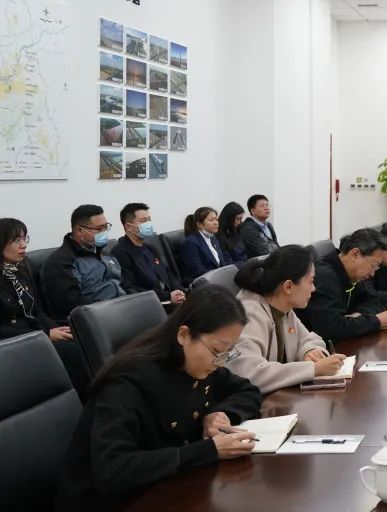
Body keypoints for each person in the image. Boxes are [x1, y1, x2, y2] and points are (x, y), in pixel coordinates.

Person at [55, 285, 263, 511]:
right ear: (184, 335)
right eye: (216, 351)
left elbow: (248, 391)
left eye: (227, 353)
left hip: (169, 487)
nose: (220, 362)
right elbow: (113, 470)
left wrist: (218, 414)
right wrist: (208, 451)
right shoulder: (127, 382)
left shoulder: (199, 364)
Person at [228, 245, 345, 393]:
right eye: (310, 281)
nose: (314, 288)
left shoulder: (282, 305)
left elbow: (308, 338)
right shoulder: (249, 315)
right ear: (288, 286)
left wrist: (310, 351)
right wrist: (314, 369)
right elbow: (250, 374)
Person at [0, 217, 90, 396]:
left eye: (25, 238)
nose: (23, 245)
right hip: (13, 342)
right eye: (16, 240)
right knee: (73, 353)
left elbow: (37, 310)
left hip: (36, 333)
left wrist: (55, 329)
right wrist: (44, 335)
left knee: (83, 338)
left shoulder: (22, 268)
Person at [298, 228, 387, 342]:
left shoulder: (349, 273)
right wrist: (376, 321)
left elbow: (374, 300)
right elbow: (330, 330)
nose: (372, 273)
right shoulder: (325, 277)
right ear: (355, 254)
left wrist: (359, 315)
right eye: (373, 266)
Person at [43, 204, 126, 319]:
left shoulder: (105, 254)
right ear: (80, 231)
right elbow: (73, 305)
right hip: (96, 317)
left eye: (106, 227)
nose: (104, 232)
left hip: (122, 309)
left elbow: (123, 284)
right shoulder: (62, 262)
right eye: (99, 229)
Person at [113, 203, 185, 305]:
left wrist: (179, 290)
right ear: (128, 227)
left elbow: (168, 274)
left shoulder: (150, 248)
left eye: (149, 219)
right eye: (143, 221)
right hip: (151, 304)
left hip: (171, 299)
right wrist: (167, 296)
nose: (148, 224)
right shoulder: (120, 253)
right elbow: (131, 289)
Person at [179, 207, 227, 284]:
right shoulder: (190, 243)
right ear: (199, 224)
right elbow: (197, 271)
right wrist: (219, 276)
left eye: (216, 219)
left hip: (217, 277)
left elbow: (222, 261)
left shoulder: (213, 238)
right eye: (211, 220)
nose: (216, 223)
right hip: (201, 282)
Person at [216, 201, 248, 266]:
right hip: (233, 267)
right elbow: (226, 260)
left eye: (241, 219)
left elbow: (244, 252)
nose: (239, 222)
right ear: (229, 218)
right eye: (238, 219)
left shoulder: (237, 229)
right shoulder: (217, 234)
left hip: (243, 264)